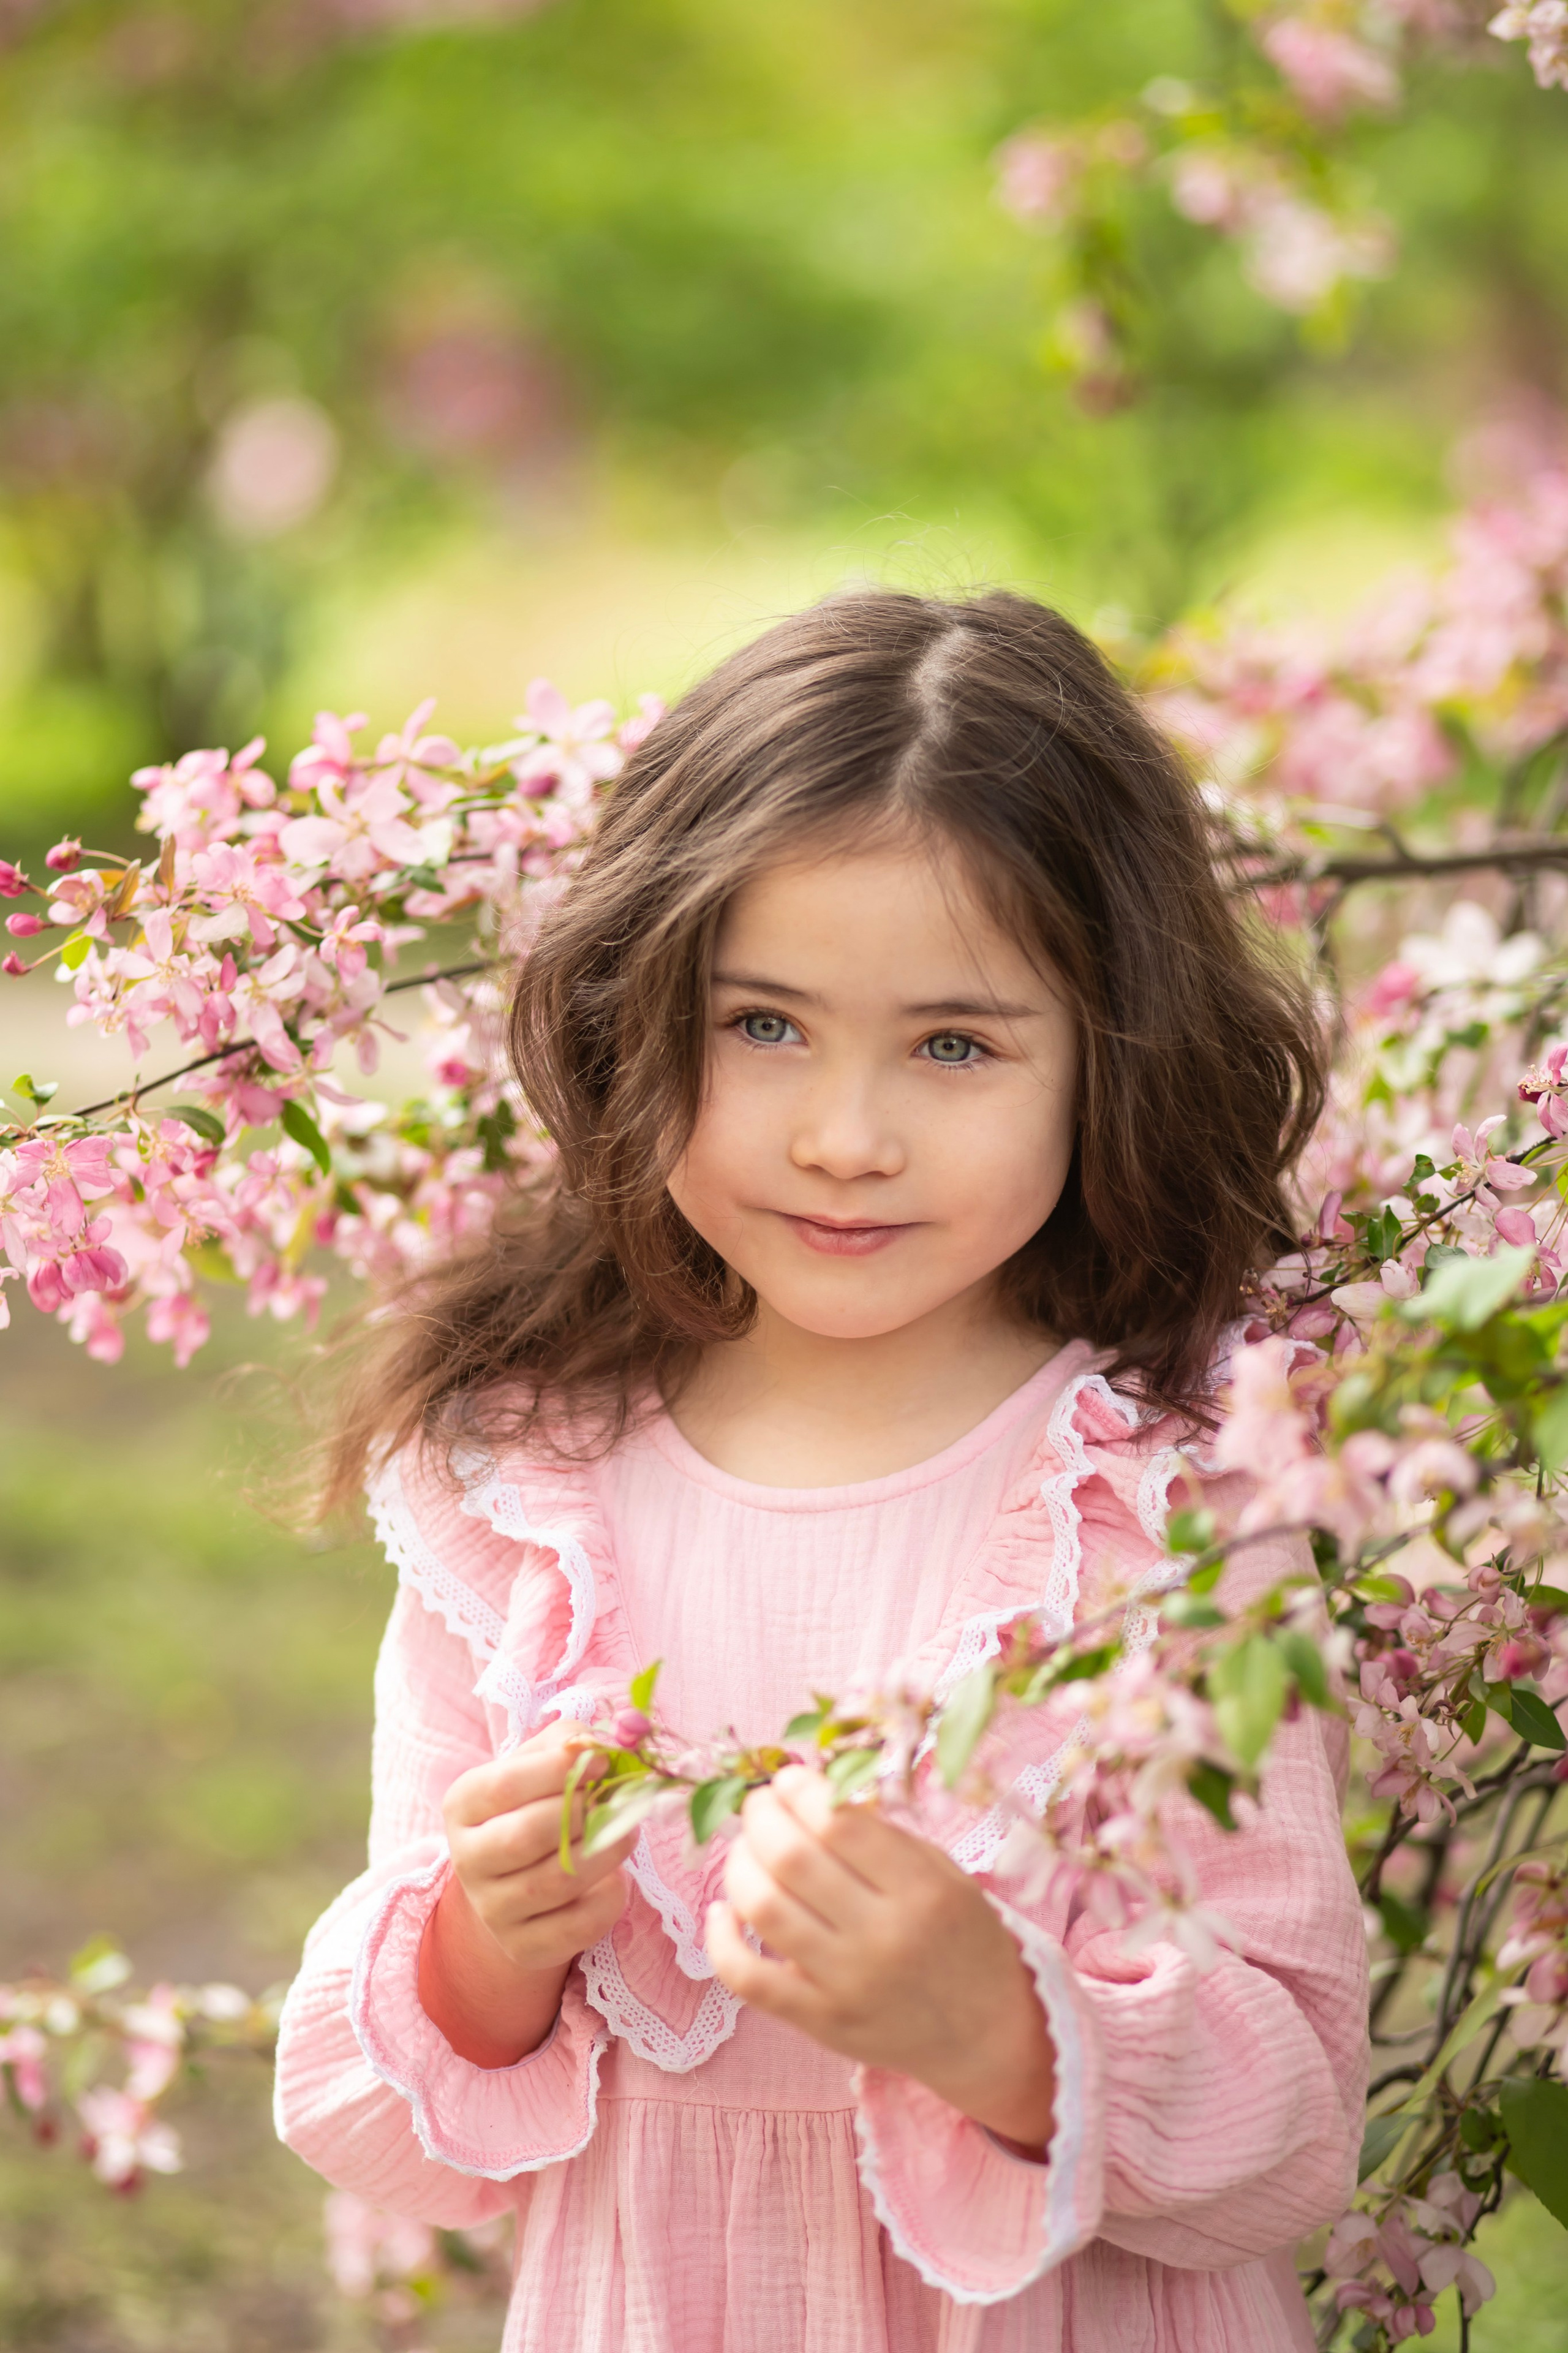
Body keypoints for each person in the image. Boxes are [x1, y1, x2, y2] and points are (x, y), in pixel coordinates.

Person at [274, 590, 1368, 2353]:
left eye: (954, 1044)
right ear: (641, 1014)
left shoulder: (1169, 1495)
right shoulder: (537, 1494)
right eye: (764, 1024)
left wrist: (999, 2029)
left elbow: (1303, 2123)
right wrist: (487, 1946)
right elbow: (375, 2123)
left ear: (1112, 1059)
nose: (845, 1137)